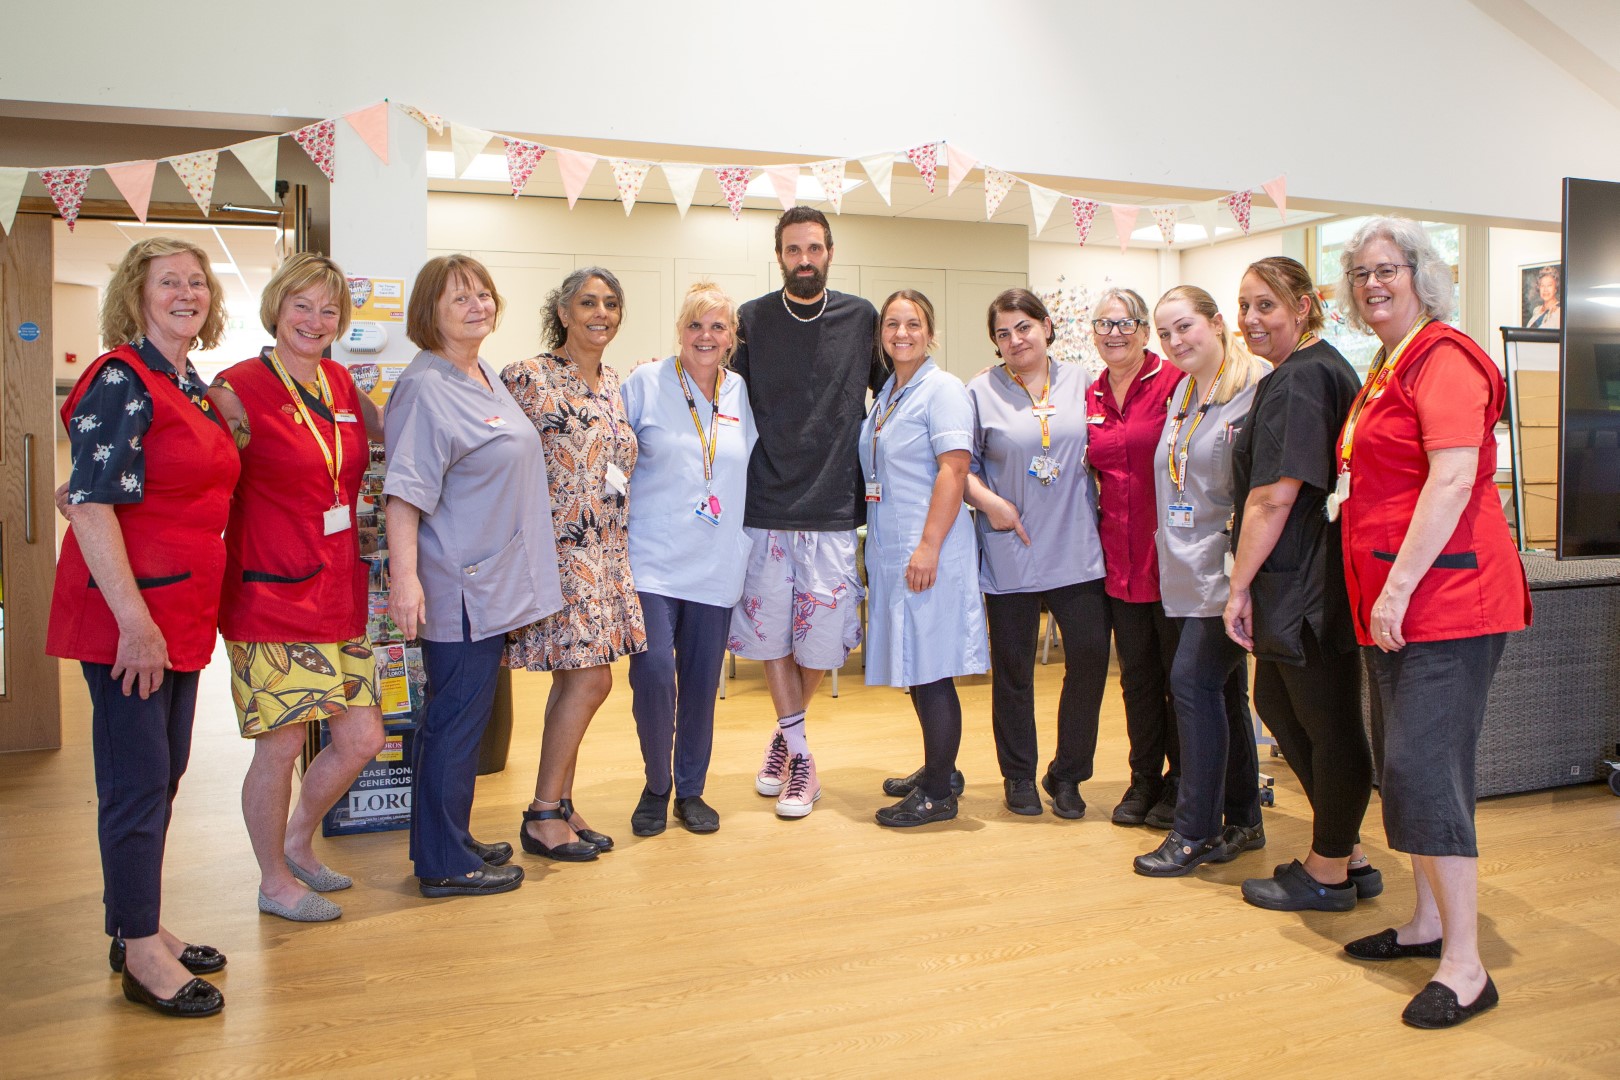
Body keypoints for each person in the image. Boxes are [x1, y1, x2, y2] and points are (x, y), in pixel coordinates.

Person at [1332, 217, 1530, 1029]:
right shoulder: (1389, 362)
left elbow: (1450, 484)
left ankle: (1466, 964)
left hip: (1444, 601)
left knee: (1426, 771)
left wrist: (1395, 590)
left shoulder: (1445, 358)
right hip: (1397, 604)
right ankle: (1425, 925)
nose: (1373, 283)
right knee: (1403, 764)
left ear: (1422, 276)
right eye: (1361, 273)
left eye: (1388, 269)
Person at [48, 237, 240, 1017]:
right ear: (137, 295)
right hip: (135, 615)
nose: (186, 293)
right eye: (169, 283)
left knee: (160, 778)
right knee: (136, 785)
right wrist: (134, 623)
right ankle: (140, 956)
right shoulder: (122, 380)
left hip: (180, 610)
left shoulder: (184, 382)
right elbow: (89, 503)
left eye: (197, 283)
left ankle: (141, 926)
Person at [209, 253, 386, 923]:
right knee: (280, 745)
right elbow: (191, 467)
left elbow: (394, 436)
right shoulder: (236, 387)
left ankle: (296, 841)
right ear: (277, 310)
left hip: (337, 592)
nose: (316, 320)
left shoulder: (341, 382)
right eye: (302, 306)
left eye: (329, 309)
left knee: (362, 738)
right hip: (271, 594)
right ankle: (274, 879)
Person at [384, 254, 564, 897]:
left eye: (484, 294)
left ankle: (450, 839)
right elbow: (403, 493)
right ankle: (442, 864)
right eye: (460, 298)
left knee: (461, 720)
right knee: (455, 724)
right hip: (457, 585)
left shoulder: (482, 373)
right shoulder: (426, 387)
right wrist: (405, 581)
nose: (478, 305)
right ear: (429, 311)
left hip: (490, 582)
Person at [1222, 256, 1379, 912]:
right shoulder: (1313, 368)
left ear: (1303, 306)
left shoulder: (1303, 378)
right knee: (1282, 707)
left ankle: (1330, 871)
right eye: (1245, 306)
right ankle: (1345, 849)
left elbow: (1272, 498)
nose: (1252, 320)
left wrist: (1237, 587)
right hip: (1302, 574)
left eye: (1266, 305)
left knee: (1327, 720)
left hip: (1304, 580)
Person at [728, 207, 887, 818]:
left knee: (819, 646)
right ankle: (802, 762)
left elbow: (890, 385)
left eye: (814, 248)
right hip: (765, 503)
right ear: (778, 257)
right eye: (793, 249)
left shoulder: (860, 318)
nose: (804, 259)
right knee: (770, 639)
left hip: (833, 506)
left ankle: (785, 740)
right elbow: (723, 393)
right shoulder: (752, 320)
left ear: (829, 252)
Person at [502, 267, 646, 859]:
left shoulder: (616, 383)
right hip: (559, 552)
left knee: (579, 681)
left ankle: (559, 801)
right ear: (562, 312)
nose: (601, 313)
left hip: (608, 553)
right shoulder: (527, 378)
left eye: (611, 303)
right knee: (591, 680)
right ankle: (541, 811)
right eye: (587, 302)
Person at [1134, 286, 1268, 877]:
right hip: (1187, 570)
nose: (1174, 341)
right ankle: (1243, 817)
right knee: (1222, 692)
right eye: (1164, 334)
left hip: (1228, 571)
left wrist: (1243, 576)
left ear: (1217, 324)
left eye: (1184, 327)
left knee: (1190, 685)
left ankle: (1194, 831)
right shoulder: (1184, 393)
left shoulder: (1254, 389)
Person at [964, 289, 1111, 819]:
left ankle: (1068, 775)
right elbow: (962, 467)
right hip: (1012, 548)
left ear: (1047, 327)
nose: (1014, 340)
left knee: (1091, 659)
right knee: (1013, 670)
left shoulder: (1085, 383)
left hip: (1076, 547)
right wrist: (990, 503)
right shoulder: (979, 390)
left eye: (1023, 327)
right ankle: (1019, 775)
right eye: (1003, 333)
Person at [621, 283, 757, 836]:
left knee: (701, 682)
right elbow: (610, 457)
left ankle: (691, 790)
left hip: (715, 560)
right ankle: (657, 784)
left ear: (731, 338)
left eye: (718, 326)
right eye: (695, 325)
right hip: (651, 558)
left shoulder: (742, 392)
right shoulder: (645, 383)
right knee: (653, 673)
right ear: (679, 330)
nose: (706, 336)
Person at [862, 291, 989, 827]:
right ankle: (941, 767)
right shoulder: (891, 391)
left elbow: (953, 472)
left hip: (928, 549)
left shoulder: (944, 390)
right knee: (917, 666)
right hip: (895, 549)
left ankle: (939, 792)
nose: (902, 333)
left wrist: (929, 546)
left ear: (930, 333)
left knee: (932, 669)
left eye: (913, 324)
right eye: (892, 324)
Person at [1083, 288, 1184, 827]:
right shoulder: (1091, 393)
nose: (1114, 333)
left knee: (1178, 679)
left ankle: (1182, 781)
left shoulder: (1174, 384)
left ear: (1145, 331)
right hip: (1117, 564)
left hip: (1172, 560)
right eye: (1104, 324)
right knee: (1137, 679)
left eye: (1125, 324)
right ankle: (1143, 779)